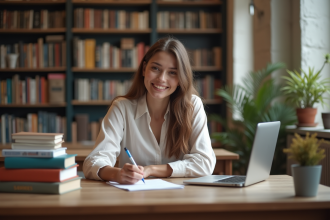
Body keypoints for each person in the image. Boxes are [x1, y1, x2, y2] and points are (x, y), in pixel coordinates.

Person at [83, 37, 216, 184]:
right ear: (144, 68)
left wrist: (151, 170)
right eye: (155, 68)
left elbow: (205, 163)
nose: (161, 79)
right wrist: (118, 174)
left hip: (180, 199)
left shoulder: (192, 106)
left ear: (180, 78)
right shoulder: (121, 108)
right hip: (133, 199)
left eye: (172, 73)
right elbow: (92, 163)